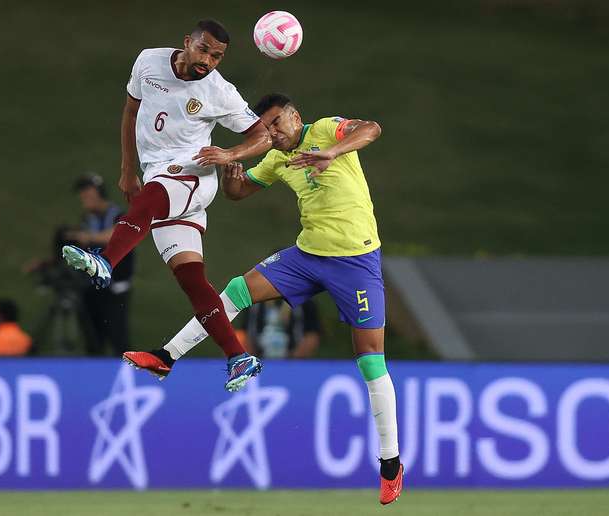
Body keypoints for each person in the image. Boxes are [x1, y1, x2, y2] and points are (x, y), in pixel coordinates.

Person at [123, 93, 403, 504]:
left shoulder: (325, 129)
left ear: (296, 116)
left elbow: (371, 129)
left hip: (356, 261)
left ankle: (390, 463)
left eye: (276, 123)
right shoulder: (275, 159)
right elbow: (241, 193)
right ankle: (166, 355)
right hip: (307, 255)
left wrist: (331, 152)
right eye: (265, 127)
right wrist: (233, 180)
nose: (271, 132)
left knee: (370, 359)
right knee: (237, 289)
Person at [60, 20, 272, 391]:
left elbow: (263, 136)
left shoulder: (219, 92)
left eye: (217, 56)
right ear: (186, 42)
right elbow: (130, 110)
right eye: (204, 50)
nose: (208, 60)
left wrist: (230, 153)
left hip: (193, 174)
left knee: (154, 195)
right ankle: (238, 357)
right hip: (158, 174)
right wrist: (127, 169)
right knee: (191, 278)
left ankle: (105, 261)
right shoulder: (149, 62)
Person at [64, 174, 134, 355]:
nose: (83, 198)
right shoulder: (87, 219)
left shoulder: (118, 215)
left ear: (99, 193)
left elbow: (117, 234)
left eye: (87, 193)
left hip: (116, 286)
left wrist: (87, 237)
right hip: (93, 286)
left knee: (118, 336)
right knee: (93, 338)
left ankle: (123, 374)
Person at [238, 297, 321, 358]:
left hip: (294, 363)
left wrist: (294, 360)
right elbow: (244, 334)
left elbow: (312, 336)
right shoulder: (254, 301)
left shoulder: (304, 300)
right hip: (260, 361)